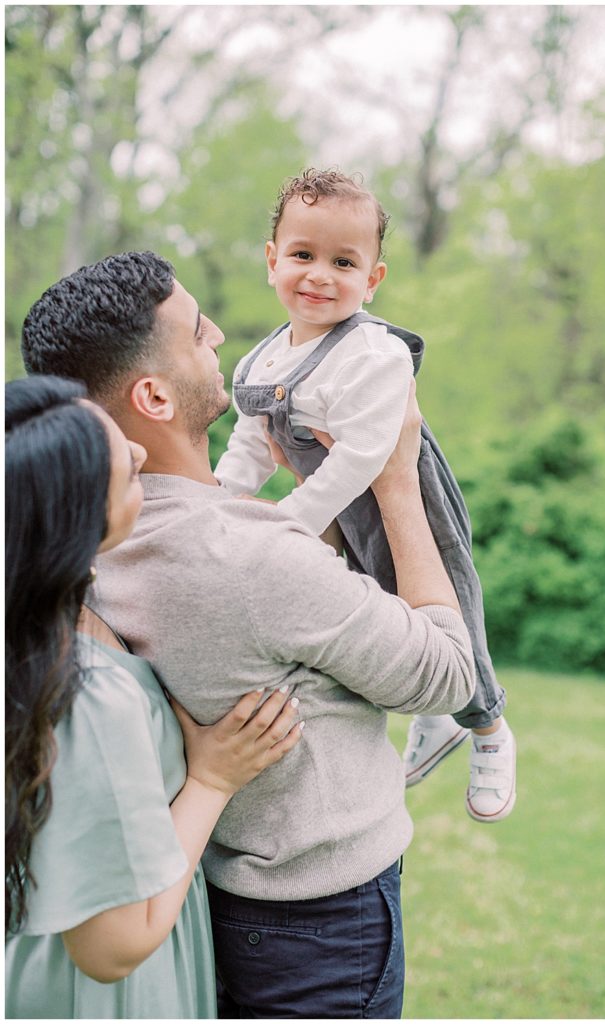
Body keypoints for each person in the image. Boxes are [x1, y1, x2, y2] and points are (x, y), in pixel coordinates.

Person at [21, 250, 476, 1019]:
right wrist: (396, 480)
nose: (222, 336)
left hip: (212, 897)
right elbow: (446, 673)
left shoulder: (88, 546)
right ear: (154, 395)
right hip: (323, 923)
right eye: (200, 334)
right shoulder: (247, 557)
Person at [214, 167, 516, 822]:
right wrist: (216, 503)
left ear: (372, 279)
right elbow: (248, 443)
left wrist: (289, 521)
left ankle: (488, 726)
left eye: (343, 262)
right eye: (302, 255)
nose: (320, 275)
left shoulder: (373, 354)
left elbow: (361, 459)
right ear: (272, 261)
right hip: (334, 516)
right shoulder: (261, 362)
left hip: (401, 498)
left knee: (449, 605)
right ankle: (439, 716)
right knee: (384, 623)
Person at [5, 374, 303, 1019]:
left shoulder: (35, 630)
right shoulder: (83, 694)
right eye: (119, 461)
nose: (139, 451)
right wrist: (213, 780)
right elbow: (112, 947)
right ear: (72, 516)